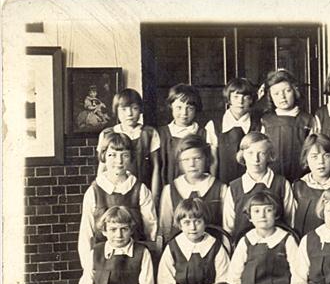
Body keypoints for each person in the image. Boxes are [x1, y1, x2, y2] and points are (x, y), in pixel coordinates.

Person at [77, 131, 157, 270]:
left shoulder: (140, 190)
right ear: (103, 157)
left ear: (131, 157)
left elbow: (151, 231)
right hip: (103, 262)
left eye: (124, 155)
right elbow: (86, 235)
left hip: (135, 262)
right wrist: (89, 269)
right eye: (112, 155)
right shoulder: (94, 192)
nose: (119, 161)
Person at [222, 132, 295, 240]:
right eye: (250, 153)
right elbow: (228, 228)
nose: (255, 159)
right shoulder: (234, 188)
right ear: (243, 155)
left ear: (269, 156)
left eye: (261, 153)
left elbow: (291, 222)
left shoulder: (282, 184)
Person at [158, 134, 228, 243]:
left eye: (197, 158)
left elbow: (227, 228)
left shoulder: (220, 189)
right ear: (179, 162)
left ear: (207, 159)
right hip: (180, 252)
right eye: (186, 160)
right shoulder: (170, 190)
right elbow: (165, 229)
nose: (192, 164)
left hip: (214, 251)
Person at [97, 88, 162, 202]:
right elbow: (102, 167)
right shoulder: (107, 134)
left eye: (134, 108)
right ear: (116, 111)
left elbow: (156, 167)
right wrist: (100, 194)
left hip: (142, 191)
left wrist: (154, 196)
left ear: (140, 110)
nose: (129, 114)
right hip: (114, 191)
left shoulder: (149, 133)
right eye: (123, 109)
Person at [260, 69, 316, 182]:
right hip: (272, 177)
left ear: (295, 91)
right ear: (270, 96)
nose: (282, 97)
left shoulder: (307, 120)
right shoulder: (265, 121)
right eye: (276, 93)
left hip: (301, 176)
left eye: (287, 91)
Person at [205, 77, 261, 184]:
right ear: (228, 99)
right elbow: (213, 161)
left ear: (251, 100)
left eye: (245, 97)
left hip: (251, 183)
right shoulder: (214, 125)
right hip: (223, 183)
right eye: (235, 97)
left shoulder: (258, 125)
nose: (240, 101)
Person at [158, 83, 208, 185]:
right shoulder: (161, 134)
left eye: (189, 108)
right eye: (179, 107)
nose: (184, 113)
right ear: (171, 106)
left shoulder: (203, 133)